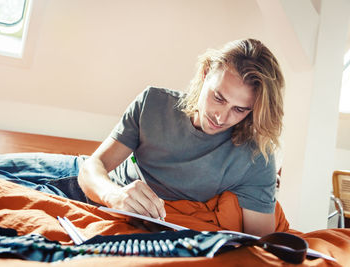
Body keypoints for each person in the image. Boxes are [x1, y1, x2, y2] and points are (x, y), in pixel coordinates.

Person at [78, 38, 285, 236]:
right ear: (205, 73)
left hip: (162, 225)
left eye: (239, 109)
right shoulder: (153, 102)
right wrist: (113, 195)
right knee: (44, 164)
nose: (221, 118)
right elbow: (91, 166)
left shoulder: (256, 158)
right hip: (105, 184)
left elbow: (259, 246)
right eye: (218, 97)